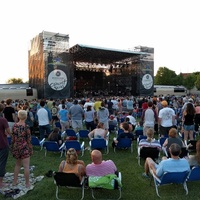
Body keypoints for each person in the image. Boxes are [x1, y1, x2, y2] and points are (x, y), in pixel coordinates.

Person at [11, 110, 33, 188]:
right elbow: (29, 139)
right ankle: (27, 183)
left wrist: (13, 147)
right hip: (24, 147)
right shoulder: (26, 127)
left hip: (16, 147)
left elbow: (13, 138)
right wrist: (30, 149)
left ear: (18, 116)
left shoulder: (14, 126)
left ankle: (14, 181)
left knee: (17, 165)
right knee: (26, 166)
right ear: (26, 117)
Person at [0, 103, 10, 188]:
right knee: (2, 163)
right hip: (2, 143)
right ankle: (0, 183)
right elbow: (8, 131)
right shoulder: (3, 120)